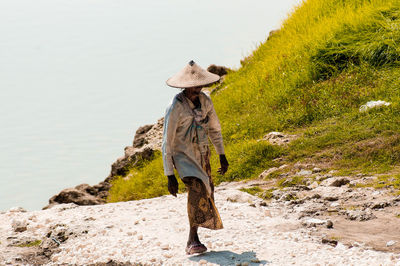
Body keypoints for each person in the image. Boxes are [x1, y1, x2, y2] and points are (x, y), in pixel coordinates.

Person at [162, 60, 229, 255]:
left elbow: (215, 129)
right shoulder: (175, 107)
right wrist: (169, 175)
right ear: (184, 87)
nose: (195, 90)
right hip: (182, 157)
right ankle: (192, 239)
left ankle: (195, 234)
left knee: (206, 192)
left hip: (202, 154)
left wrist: (222, 155)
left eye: (198, 86)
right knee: (197, 189)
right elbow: (167, 141)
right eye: (191, 87)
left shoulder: (206, 101)